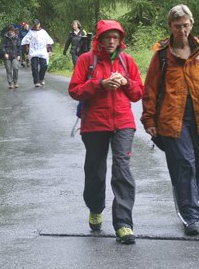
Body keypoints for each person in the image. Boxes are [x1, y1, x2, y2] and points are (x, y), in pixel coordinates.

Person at [140, 4, 199, 237]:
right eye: (177, 26)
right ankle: (190, 215)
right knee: (184, 163)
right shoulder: (162, 56)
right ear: (170, 27)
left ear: (191, 24)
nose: (182, 30)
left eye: (185, 25)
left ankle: (188, 200)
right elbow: (150, 89)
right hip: (173, 121)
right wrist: (149, 119)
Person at [68, 20, 144, 245]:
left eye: (116, 37)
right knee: (95, 170)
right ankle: (95, 207)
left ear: (120, 40)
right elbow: (74, 90)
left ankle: (123, 224)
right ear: (99, 39)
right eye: (107, 37)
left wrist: (125, 82)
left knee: (122, 168)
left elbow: (138, 92)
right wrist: (100, 84)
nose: (111, 41)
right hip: (94, 123)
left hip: (123, 122)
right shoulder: (86, 60)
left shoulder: (126, 61)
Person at [20, 19, 54, 87]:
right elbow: (24, 42)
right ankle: (36, 81)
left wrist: (49, 50)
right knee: (34, 67)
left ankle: (41, 78)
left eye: (37, 24)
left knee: (44, 66)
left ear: (39, 24)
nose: (36, 26)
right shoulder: (31, 32)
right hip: (33, 52)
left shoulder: (43, 32)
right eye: (35, 24)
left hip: (42, 51)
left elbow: (48, 41)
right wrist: (26, 53)